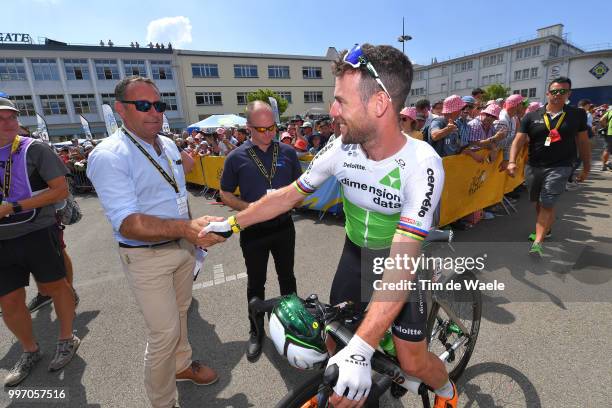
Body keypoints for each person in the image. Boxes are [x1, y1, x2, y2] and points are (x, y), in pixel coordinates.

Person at [203, 44, 457, 408]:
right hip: (355, 254)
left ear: (379, 104)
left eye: (341, 101)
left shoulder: (423, 163)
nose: (331, 110)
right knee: (335, 342)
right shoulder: (342, 148)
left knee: (411, 360)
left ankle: (447, 391)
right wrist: (232, 223)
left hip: (399, 263)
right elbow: (287, 196)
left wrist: (362, 347)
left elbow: (401, 266)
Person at [86, 76, 225, 408]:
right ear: (120, 109)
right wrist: (187, 228)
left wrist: (193, 231)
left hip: (182, 247)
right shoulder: (109, 155)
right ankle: (163, 403)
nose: (154, 112)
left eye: (159, 105)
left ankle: (181, 366)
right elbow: (128, 223)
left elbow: (177, 191)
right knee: (163, 334)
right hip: (146, 257)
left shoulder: (168, 144)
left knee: (181, 314)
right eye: (143, 105)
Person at [0, 97, 79, 386]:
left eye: (12, 117)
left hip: (36, 230)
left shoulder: (35, 149)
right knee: (8, 301)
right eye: (1, 119)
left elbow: (60, 191)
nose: (8, 123)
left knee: (55, 287)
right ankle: (30, 350)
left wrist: (15, 206)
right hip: (2, 241)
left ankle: (67, 337)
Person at [218, 101, 301, 362]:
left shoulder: (287, 152)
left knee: (287, 278)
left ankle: (293, 326)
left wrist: (292, 200)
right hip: (253, 230)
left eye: (272, 128)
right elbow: (225, 194)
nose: (267, 134)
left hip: (284, 226)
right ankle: (256, 331)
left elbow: (300, 188)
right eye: (261, 129)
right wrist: (251, 209)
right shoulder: (236, 157)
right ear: (248, 127)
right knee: (256, 283)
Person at [508, 77, 591, 256]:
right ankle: (547, 228)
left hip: (561, 166)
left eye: (562, 92)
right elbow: (518, 140)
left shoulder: (577, 114)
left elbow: (583, 142)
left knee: (547, 202)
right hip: (534, 166)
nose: (557, 95)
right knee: (538, 202)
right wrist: (512, 161)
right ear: (547, 93)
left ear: (569, 94)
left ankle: (538, 242)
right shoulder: (531, 116)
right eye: (554, 91)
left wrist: (586, 168)